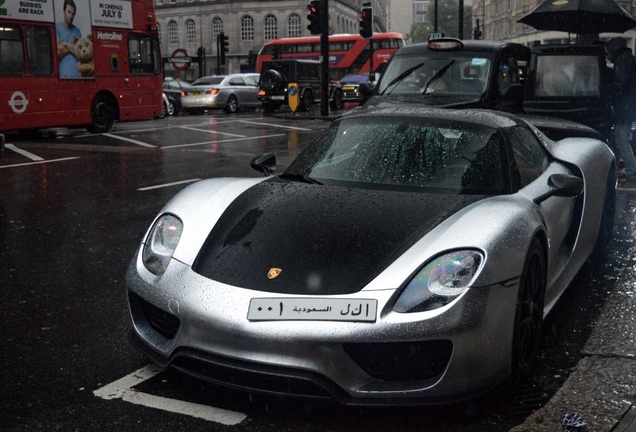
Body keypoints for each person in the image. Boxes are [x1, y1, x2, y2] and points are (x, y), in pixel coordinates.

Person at [605, 37, 636, 189]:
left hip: (624, 108)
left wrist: (607, 87)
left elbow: (620, 84)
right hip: (628, 107)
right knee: (620, 141)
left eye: (608, 51)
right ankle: (620, 171)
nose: (608, 55)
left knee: (622, 141)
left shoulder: (622, 60)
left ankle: (633, 174)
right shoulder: (628, 58)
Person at [56, 0, 81, 78]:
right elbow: (58, 52)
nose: (71, 16)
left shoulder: (77, 31)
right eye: (69, 12)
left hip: (77, 77)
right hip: (62, 77)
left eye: (73, 14)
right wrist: (73, 47)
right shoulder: (56, 28)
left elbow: (80, 53)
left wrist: (65, 44)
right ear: (64, 11)